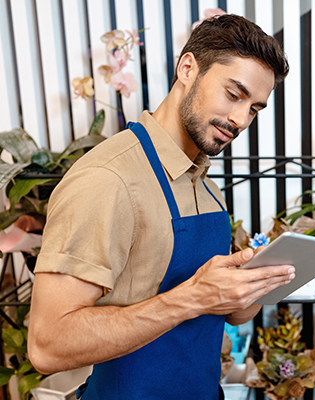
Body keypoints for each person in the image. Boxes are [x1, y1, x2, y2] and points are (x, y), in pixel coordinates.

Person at [28, 14, 291, 400]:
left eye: (254, 108)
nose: (240, 120)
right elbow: (47, 345)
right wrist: (193, 297)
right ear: (188, 68)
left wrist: (256, 284)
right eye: (234, 94)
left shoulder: (206, 183)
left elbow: (227, 312)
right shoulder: (108, 178)